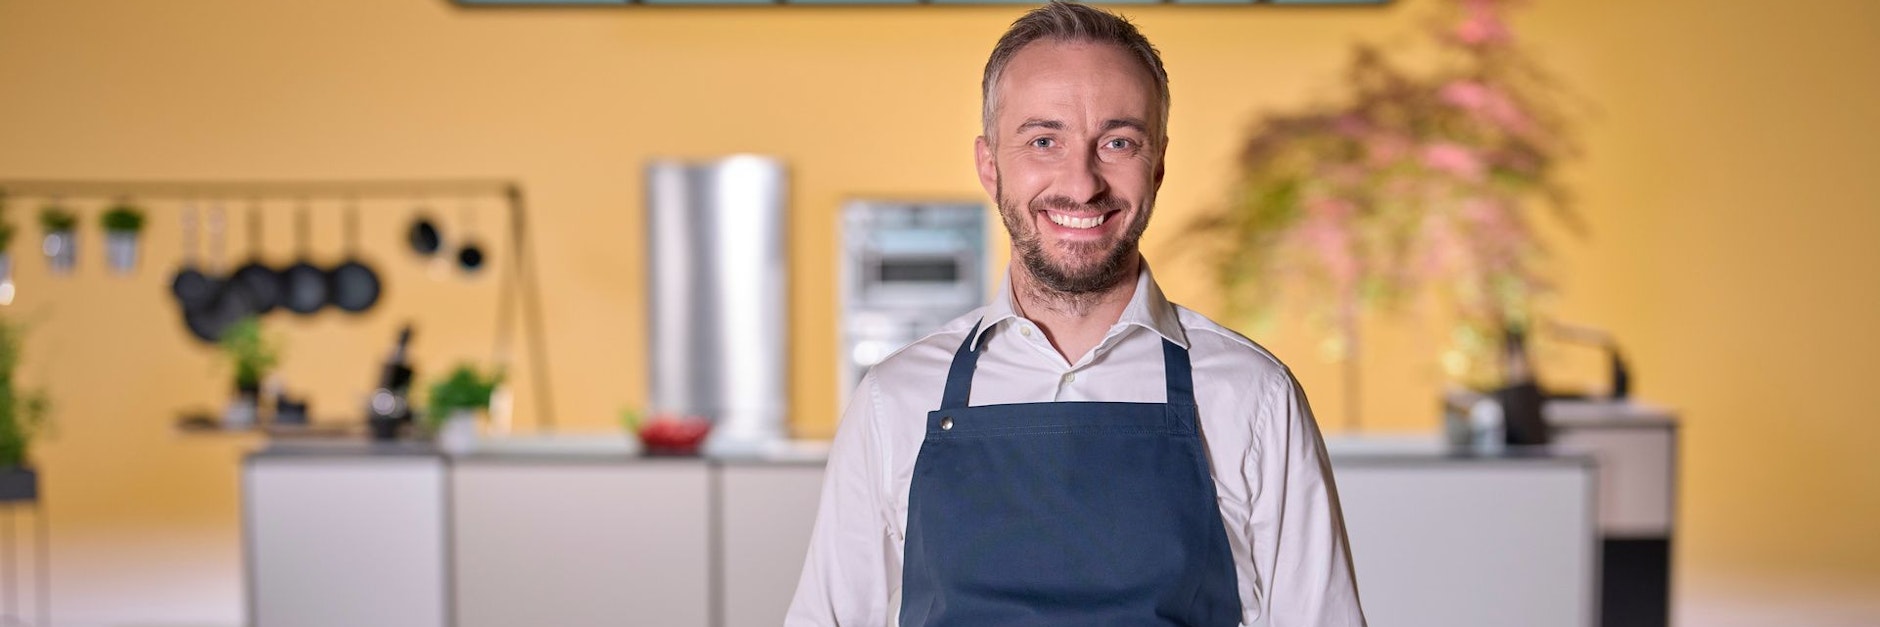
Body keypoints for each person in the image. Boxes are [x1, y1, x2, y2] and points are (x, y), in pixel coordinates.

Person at [786, 2, 1365, 625]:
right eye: (1044, 141)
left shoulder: (1253, 396)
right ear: (990, 165)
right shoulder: (895, 400)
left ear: (1158, 166)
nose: (1083, 184)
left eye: (1118, 143)